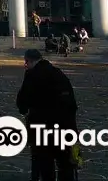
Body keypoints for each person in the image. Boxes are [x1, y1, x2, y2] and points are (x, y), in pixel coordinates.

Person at [16, 49, 77, 181]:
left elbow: (22, 100)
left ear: (29, 60)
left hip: (41, 126)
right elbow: (71, 103)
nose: (25, 65)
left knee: (44, 162)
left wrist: (24, 110)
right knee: (65, 162)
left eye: (26, 62)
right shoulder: (58, 73)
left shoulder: (32, 75)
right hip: (64, 125)